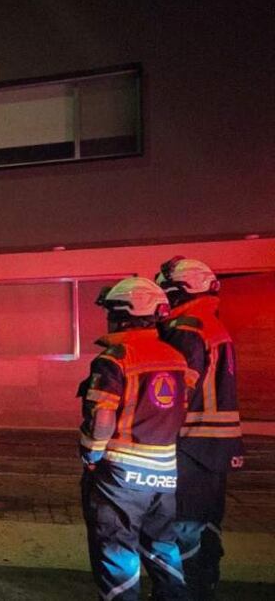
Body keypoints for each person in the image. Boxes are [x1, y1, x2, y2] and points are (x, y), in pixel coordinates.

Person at [77, 277, 197, 601]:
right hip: (164, 472)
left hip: (120, 476)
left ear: (120, 313)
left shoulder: (116, 358)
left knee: (116, 550)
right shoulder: (175, 358)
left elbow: (102, 418)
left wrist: (91, 455)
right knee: (162, 545)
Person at [156, 256, 245, 599]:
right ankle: (204, 585)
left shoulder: (187, 330)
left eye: (169, 292)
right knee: (206, 524)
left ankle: (185, 592)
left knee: (183, 526)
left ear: (181, 292)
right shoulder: (212, 324)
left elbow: (176, 393)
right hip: (216, 448)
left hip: (191, 445)